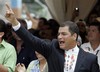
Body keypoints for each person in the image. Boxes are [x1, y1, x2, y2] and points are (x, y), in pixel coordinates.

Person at [5, 4, 99, 72]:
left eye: (63, 34)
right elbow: (31, 39)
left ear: (74, 36)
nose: (59, 37)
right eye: (58, 34)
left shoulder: (90, 59)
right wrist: (14, 22)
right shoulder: (53, 49)